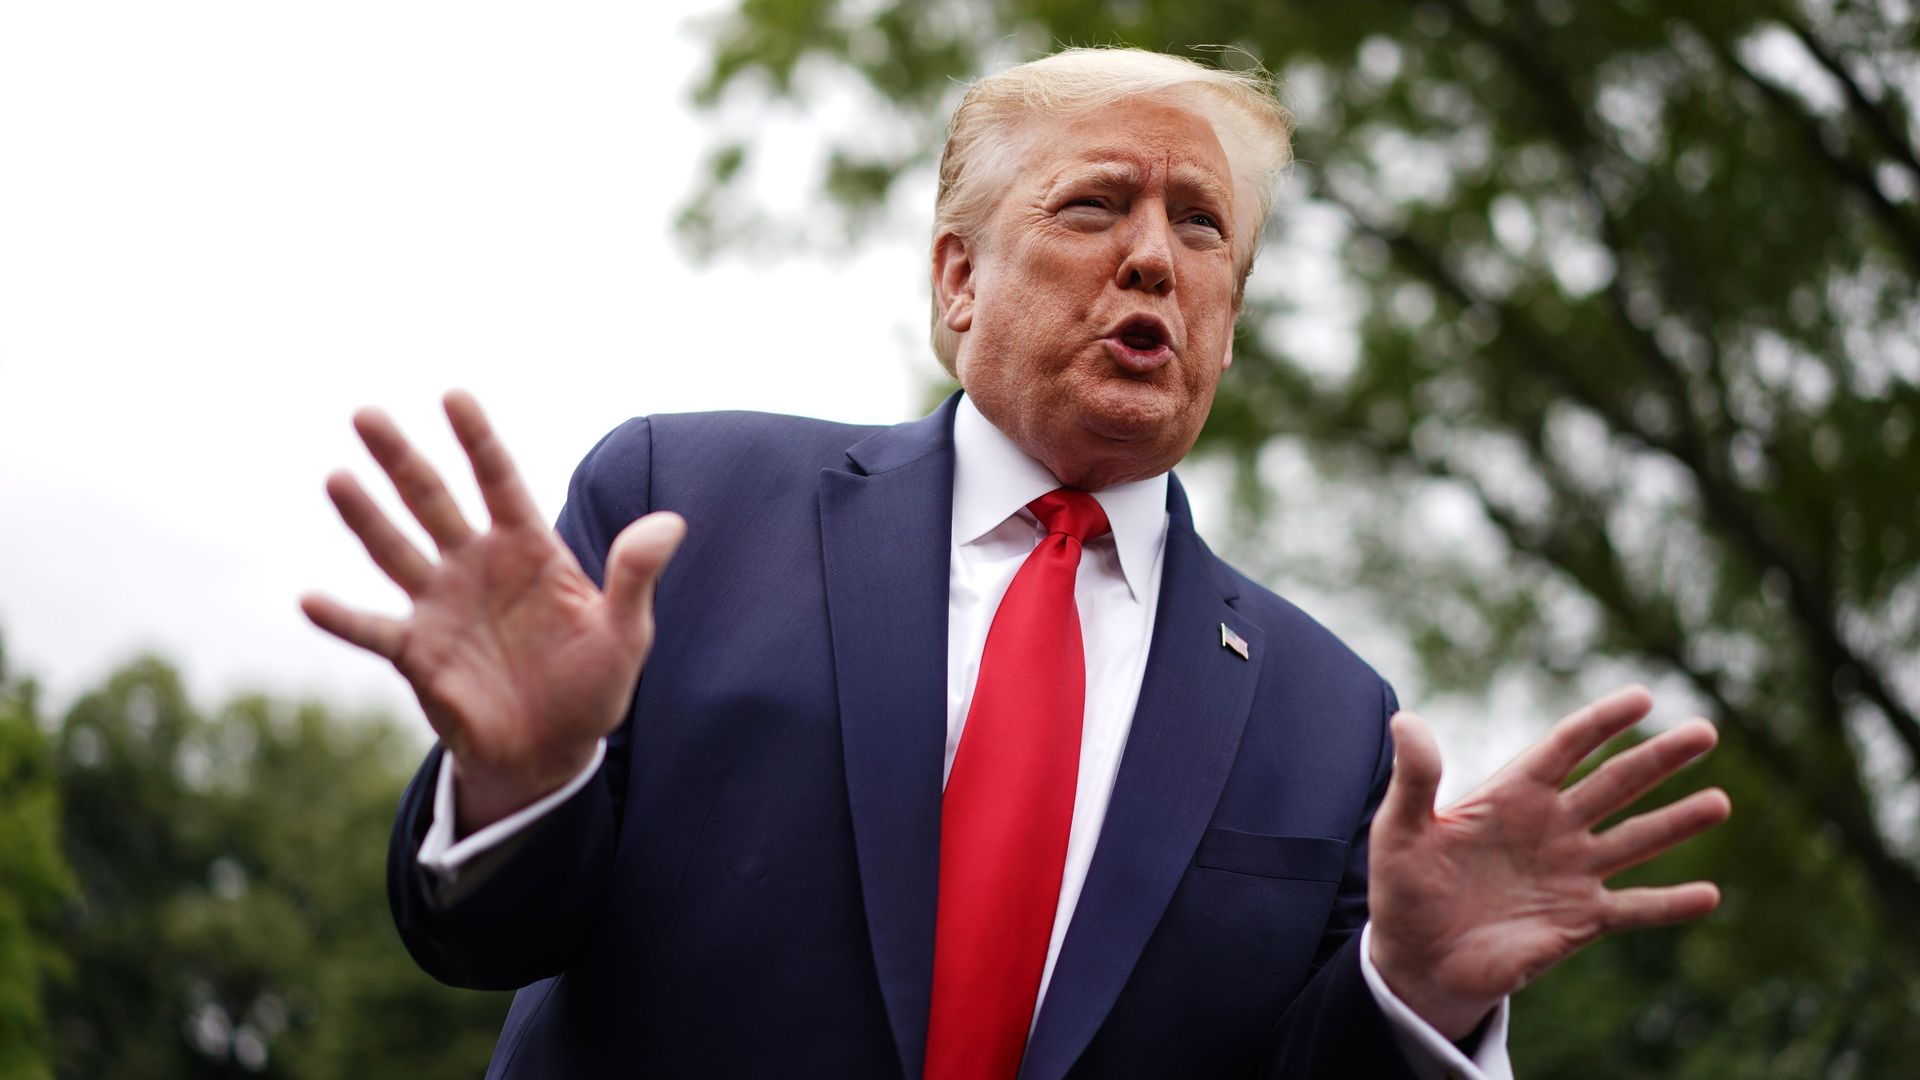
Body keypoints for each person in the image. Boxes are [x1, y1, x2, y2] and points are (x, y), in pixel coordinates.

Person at [303, 47, 1731, 1080]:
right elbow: (480, 942)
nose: (1156, 260)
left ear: (1229, 322)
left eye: (1201, 226)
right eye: (1097, 206)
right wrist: (526, 782)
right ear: (959, 281)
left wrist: (1413, 996)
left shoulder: (1332, 716)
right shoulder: (687, 514)